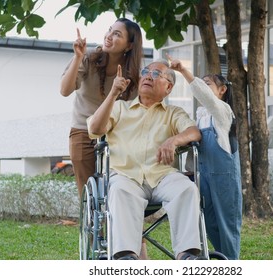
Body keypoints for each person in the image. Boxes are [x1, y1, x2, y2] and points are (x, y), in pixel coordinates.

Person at [87, 60, 203, 260]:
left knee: (187, 188)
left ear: (168, 87)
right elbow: (95, 130)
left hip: (162, 177)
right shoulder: (120, 108)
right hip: (125, 176)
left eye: (157, 74)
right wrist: (113, 94)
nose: (149, 76)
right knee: (120, 191)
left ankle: (187, 255)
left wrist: (174, 140)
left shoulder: (173, 113)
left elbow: (194, 132)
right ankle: (126, 256)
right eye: (145, 72)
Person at [168, 56, 243, 260]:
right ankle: (218, 259)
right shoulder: (200, 117)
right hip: (204, 178)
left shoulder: (223, 112)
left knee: (226, 224)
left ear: (222, 90)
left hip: (223, 178)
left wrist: (184, 70)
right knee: (209, 223)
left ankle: (231, 262)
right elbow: (194, 147)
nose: (202, 86)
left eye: (207, 83)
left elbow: (206, 97)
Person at [60, 18, 143, 198]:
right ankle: (91, 225)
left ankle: (116, 223)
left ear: (129, 46)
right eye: (110, 30)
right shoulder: (88, 58)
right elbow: (65, 90)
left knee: (116, 189)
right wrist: (78, 57)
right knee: (88, 194)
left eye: (117, 34)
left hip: (115, 136)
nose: (109, 36)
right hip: (82, 131)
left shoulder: (133, 75)